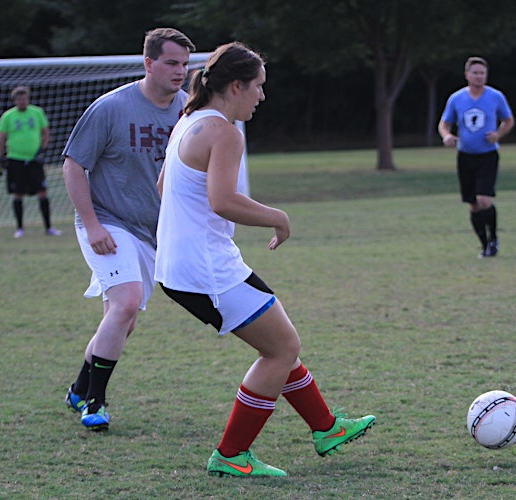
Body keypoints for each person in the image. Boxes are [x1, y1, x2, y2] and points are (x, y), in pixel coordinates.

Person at [153, 42, 375, 477]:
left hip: (188, 265)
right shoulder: (224, 132)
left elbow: (165, 188)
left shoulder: (189, 120)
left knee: (280, 342)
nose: (262, 95)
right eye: (258, 86)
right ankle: (231, 454)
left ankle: (326, 428)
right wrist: (277, 216)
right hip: (205, 270)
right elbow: (221, 200)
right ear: (236, 86)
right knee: (282, 348)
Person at [60, 27, 195, 431]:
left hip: (152, 232)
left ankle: (78, 388)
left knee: (123, 318)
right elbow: (73, 165)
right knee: (125, 304)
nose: (180, 71)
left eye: (186, 64)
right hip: (107, 222)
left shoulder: (188, 111)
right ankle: (94, 404)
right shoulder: (110, 108)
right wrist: (93, 223)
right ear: (149, 63)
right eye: (171, 63)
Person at [438, 56, 515, 258]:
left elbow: (508, 120)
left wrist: (498, 134)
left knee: (484, 200)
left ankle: (494, 238)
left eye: (482, 73)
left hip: (488, 155)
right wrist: (446, 136)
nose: (479, 77)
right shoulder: (456, 99)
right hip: (465, 156)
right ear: (467, 75)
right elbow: (444, 123)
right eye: (475, 73)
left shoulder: (495, 96)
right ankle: (485, 245)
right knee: (473, 203)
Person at [0, 86, 60, 238]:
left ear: (28, 99)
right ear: (15, 100)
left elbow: (45, 132)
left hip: (34, 159)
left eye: (24, 98)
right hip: (15, 159)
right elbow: (1, 137)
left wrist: (43, 149)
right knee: (18, 193)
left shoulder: (37, 113)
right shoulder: (8, 116)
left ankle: (49, 227)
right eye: (19, 99)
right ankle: (20, 228)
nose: (22, 101)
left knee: (42, 191)